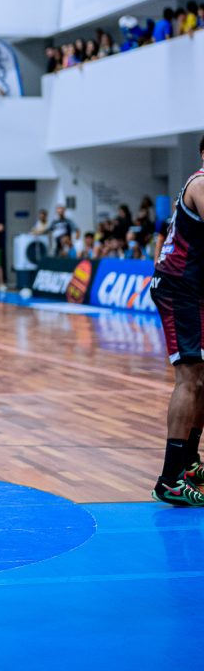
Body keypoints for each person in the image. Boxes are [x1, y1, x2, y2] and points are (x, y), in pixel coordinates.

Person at [150, 135, 204, 506]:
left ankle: (188, 463)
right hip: (179, 288)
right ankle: (169, 479)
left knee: (202, 378)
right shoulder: (201, 183)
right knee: (190, 378)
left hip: (193, 289)